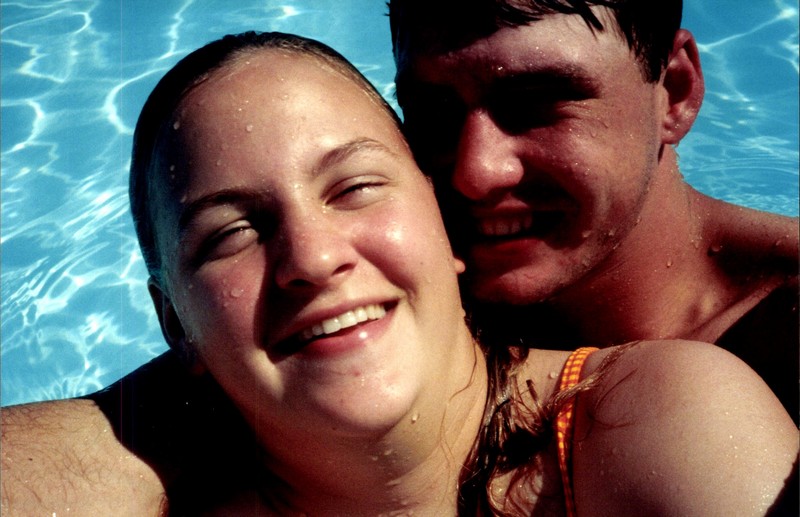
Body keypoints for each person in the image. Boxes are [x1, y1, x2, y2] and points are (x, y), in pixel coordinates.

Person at [2, 31, 797, 516]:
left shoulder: (654, 424)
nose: (314, 259)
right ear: (175, 323)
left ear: (445, 224)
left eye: (354, 187)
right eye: (231, 233)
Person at [388, 0, 799, 420]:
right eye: (433, 110)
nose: (475, 174)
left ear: (675, 92)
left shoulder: (784, 338)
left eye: (535, 104)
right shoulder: (395, 307)